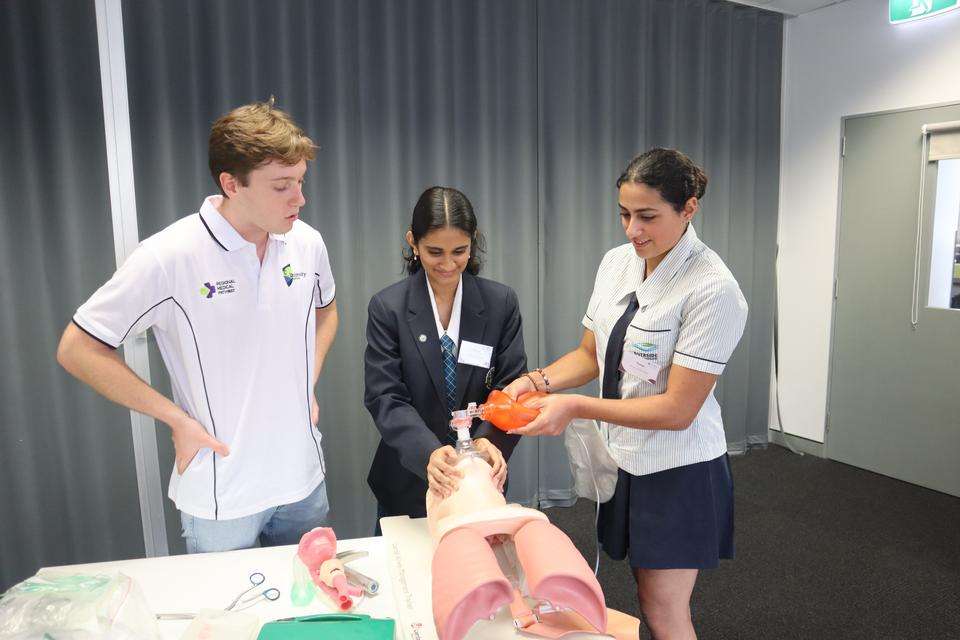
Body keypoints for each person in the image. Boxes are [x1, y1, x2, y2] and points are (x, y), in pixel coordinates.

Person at [56, 100, 338, 553]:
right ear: (232, 184)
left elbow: (327, 311)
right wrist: (175, 419)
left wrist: (307, 380)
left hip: (303, 480)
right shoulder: (170, 256)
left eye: (301, 182)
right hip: (222, 494)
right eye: (282, 186)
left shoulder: (307, 243)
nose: (300, 199)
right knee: (230, 621)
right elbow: (78, 348)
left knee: (306, 610)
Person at [504, 148, 748, 640]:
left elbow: (679, 410)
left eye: (647, 216)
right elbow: (591, 355)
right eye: (624, 214)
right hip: (626, 459)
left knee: (663, 608)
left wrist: (573, 406)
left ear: (689, 208)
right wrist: (535, 381)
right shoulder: (619, 263)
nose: (632, 230)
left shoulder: (713, 289)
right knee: (641, 592)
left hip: (680, 469)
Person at [364, 186, 527, 527]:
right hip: (408, 478)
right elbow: (385, 396)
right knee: (407, 572)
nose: (448, 264)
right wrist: (428, 452)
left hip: (480, 478)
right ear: (413, 242)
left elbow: (512, 387)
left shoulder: (500, 304)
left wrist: (487, 441)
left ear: (473, 241)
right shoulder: (388, 308)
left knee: (477, 572)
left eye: (460, 251)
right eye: (435, 252)